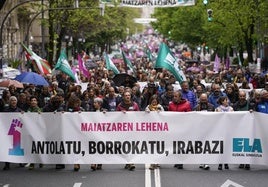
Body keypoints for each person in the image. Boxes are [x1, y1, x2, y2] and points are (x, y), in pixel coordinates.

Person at [116, 91, 140, 171]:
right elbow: (115, 117)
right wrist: (120, 114)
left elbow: (139, 115)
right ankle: (127, 161)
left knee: (132, 145)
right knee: (125, 146)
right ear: (123, 97)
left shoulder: (135, 105)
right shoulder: (120, 106)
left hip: (133, 129)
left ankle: (131, 162)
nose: (127, 97)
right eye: (126, 95)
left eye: (129, 95)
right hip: (123, 130)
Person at [168, 91, 191, 169]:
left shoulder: (186, 104)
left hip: (182, 127)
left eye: (176, 96)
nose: (174, 98)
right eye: (173, 96)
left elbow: (189, 116)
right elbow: (168, 115)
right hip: (174, 127)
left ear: (180, 97)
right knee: (175, 144)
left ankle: (181, 161)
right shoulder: (171, 105)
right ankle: (177, 160)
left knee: (181, 145)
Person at [42, 95, 65, 170]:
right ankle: (57, 161)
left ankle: (60, 162)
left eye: (58, 103)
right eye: (56, 103)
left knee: (59, 146)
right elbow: (43, 116)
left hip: (59, 129)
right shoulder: (46, 108)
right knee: (55, 146)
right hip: (51, 128)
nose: (57, 104)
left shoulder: (61, 107)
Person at [2, 96, 24, 170]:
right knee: (7, 147)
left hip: (16, 132)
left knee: (17, 147)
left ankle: (20, 162)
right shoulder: (5, 111)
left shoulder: (19, 110)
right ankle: (7, 164)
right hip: (7, 131)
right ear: (9, 101)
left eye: (15, 100)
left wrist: (23, 114)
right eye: (12, 100)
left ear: (16, 102)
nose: (14, 102)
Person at [194, 93, 215, 170]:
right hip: (199, 130)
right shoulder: (196, 107)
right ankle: (201, 162)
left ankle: (206, 162)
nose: (203, 100)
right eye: (202, 99)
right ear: (199, 99)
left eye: (205, 99)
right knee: (200, 146)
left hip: (209, 130)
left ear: (207, 99)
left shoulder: (212, 107)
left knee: (207, 146)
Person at [145, 95, 164, 170]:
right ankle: (152, 163)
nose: (154, 102)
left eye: (155, 101)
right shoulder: (148, 107)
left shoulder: (160, 107)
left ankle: (157, 161)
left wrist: (160, 113)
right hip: (151, 131)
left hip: (159, 130)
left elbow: (165, 116)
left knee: (158, 147)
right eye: (153, 101)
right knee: (152, 147)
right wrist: (146, 113)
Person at [66, 95, 84, 171]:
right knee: (74, 147)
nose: (76, 104)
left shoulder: (81, 109)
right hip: (71, 130)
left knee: (81, 147)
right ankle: (76, 163)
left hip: (80, 130)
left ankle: (78, 162)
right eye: (75, 103)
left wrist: (81, 113)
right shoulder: (68, 109)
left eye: (77, 103)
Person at [215, 96, 233, 170]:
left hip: (228, 130)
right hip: (220, 130)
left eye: (227, 100)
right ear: (222, 101)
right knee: (221, 147)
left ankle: (226, 163)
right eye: (225, 100)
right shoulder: (217, 109)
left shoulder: (231, 109)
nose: (227, 101)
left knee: (227, 147)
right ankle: (220, 163)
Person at [27, 96, 43, 170]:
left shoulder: (40, 110)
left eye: (35, 100)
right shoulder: (28, 110)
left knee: (39, 146)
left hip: (38, 131)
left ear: (37, 102)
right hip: (30, 131)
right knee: (31, 146)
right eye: (32, 100)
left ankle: (41, 160)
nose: (33, 101)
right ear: (30, 102)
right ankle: (32, 162)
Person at [91, 97, 105, 171]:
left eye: (95, 103)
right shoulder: (91, 111)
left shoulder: (104, 111)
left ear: (99, 104)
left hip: (101, 132)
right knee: (93, 147)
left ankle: (99, 163)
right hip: (93, 131)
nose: (94, 104)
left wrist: (105, 114)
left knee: (100, 147)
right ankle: (93, 162)